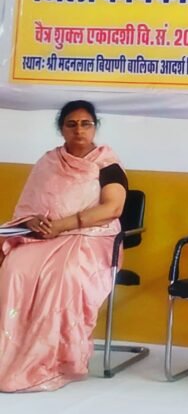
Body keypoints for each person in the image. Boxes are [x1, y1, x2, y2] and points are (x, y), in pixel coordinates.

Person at [0, 100, 128, 392]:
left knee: (63, 276)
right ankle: (9, 355)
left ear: (94, 127)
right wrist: (32, 221)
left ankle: (55, 360)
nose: (79, 130)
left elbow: (113, 208)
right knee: (15, 269)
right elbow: (29, 206)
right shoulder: (48, 162)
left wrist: (63, 225)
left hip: (91, 238)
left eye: (85, 124)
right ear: (61, 129)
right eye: (71, 124)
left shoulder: (107, 164)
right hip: (44, 236)